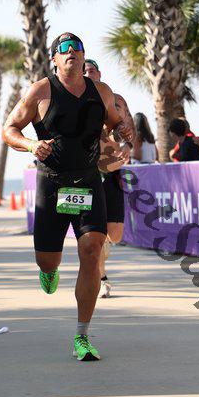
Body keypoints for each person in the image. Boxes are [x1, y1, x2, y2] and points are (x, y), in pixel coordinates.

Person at [3, 32, 132, 361]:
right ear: (54, 59)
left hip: (88, 181)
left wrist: (122, 135)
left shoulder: (101, 92)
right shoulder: (40, 91)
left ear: (84, 56)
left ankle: (82, 336)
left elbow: (115, 124)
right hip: (52, 184)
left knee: (91, 250)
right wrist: (31, 145)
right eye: (64, 48)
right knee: (47, 259)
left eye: (77, 47)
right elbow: (9, 129)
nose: (71, 51)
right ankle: (49, 270)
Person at [84, 58, 135, 298]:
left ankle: (102, 242)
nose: (87, 74)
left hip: (112, 171)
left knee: (114, 235)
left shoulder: (116, 100)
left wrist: (127, 144)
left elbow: (128, 128)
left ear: (99, 73)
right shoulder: (73, 102)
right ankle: (101, 279)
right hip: (84, 174)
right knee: (90, 237)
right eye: (84, 71)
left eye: (91, 70)